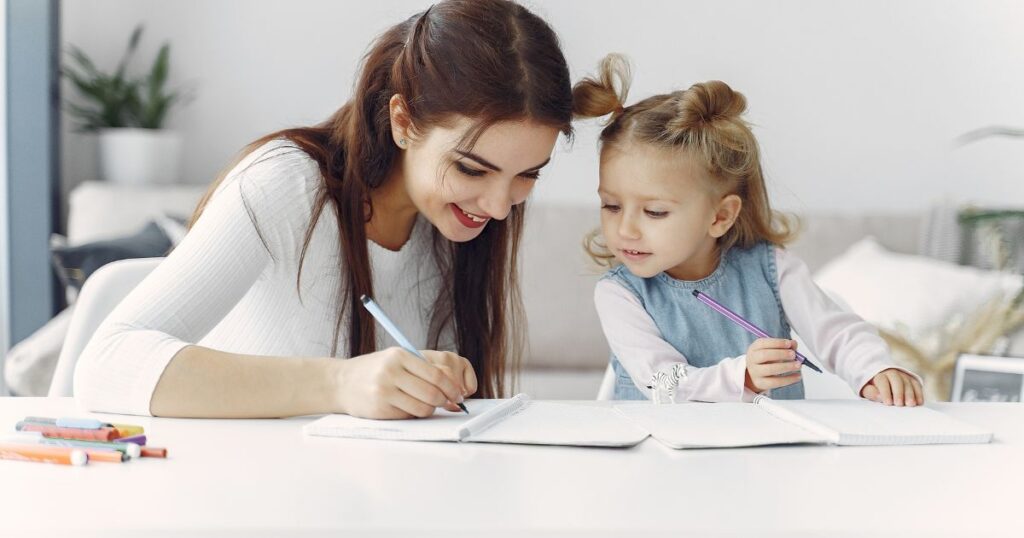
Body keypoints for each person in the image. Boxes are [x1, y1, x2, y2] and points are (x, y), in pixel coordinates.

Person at [74, 0, 574, 419]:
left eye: (528, 174)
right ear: (403, 121)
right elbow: (107, 363)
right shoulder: (287, 184)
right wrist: (339, 383)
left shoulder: (456, 222)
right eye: (471, 169)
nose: (499, 208)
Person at [573, 54, 924, 405]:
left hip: (771, 452)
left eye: (654, 211)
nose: (626, 229)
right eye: (611, 206)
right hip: (660, 453)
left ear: (720, 216)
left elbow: (834, 330)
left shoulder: (772, 269)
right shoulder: (619, 294)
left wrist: (875, 369)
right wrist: (742, 377)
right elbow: (661, 379)